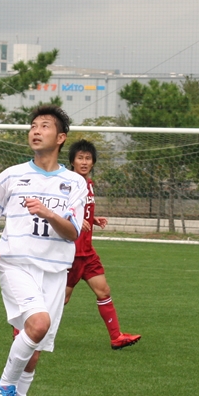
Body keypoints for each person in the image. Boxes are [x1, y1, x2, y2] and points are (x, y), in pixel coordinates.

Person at [0, 106, 87, 396]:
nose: (36, 130)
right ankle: (3, 385)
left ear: (60, 138)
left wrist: (48, 212)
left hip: (55, 272)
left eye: (45, 126)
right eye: (33, 126)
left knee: (31, 356)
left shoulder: (74, 183)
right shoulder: (11, 176)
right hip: (16, 264)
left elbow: (72, 233)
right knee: (37, 324)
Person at [66, 139, 141, 349]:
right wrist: (73, 219)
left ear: (93, 162)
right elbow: (56, 208)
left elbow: (83, 209)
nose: (83, 162)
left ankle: (116, 337)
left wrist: (92, 218)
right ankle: (27, 331)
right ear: (72, 161)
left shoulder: (89, 184)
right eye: (79, 158)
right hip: (71, 253)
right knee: (60, 300)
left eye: (87, 158)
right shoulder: (67, 183)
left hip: (87, 252)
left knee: (104, 291)